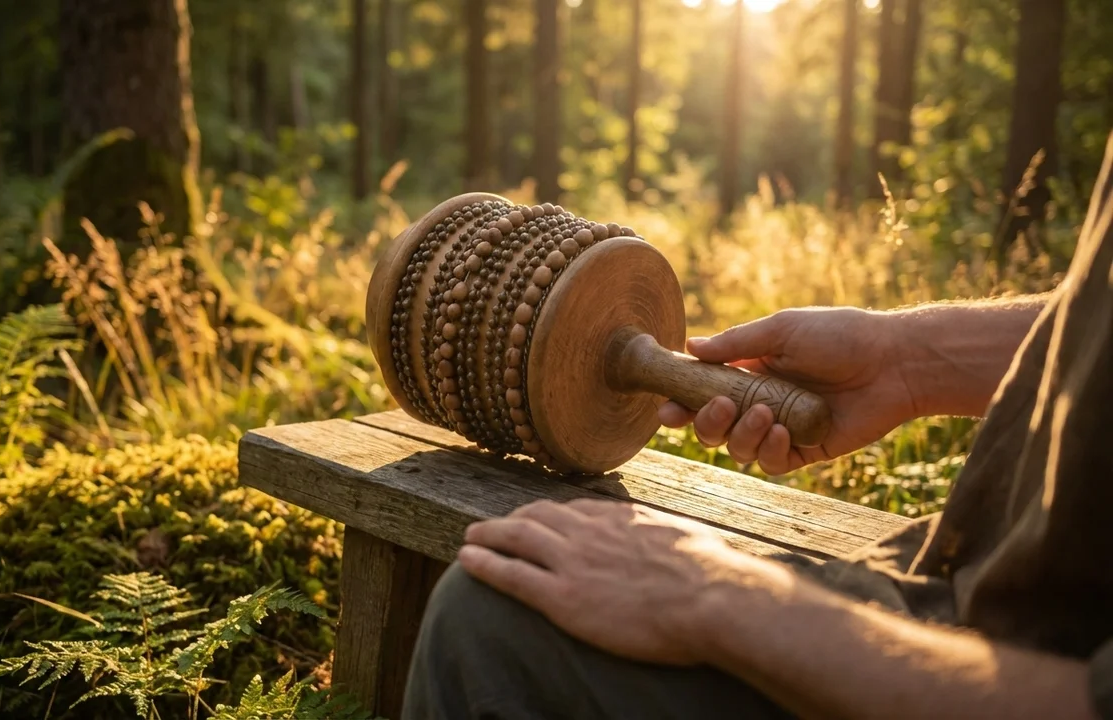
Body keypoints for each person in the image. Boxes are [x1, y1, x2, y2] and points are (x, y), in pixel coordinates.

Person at [400, 132, 1113, 720]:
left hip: (992, 672)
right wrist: (906, 360)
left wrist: (723, 597)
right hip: (966, 580)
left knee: (492, 624)